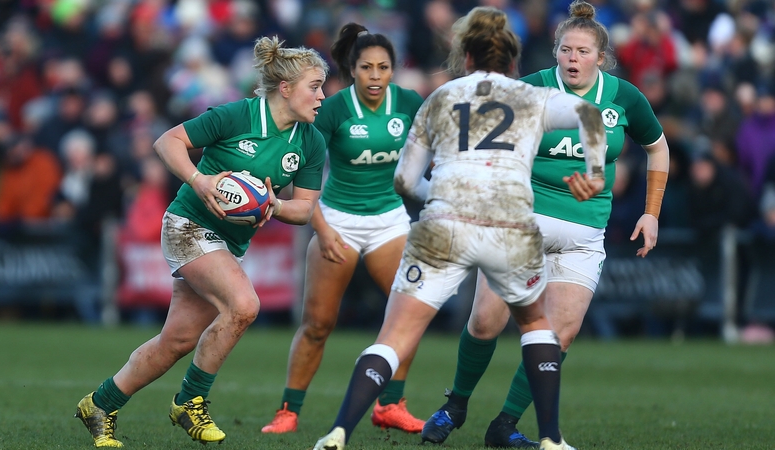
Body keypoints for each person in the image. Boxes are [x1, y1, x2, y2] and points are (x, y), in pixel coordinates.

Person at [313, 6, 607, 450]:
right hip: (508, 225)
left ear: (465, 57)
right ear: (512, 61)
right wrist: (596, 172)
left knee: (395, 336)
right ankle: (551, 439)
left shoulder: (441, 98)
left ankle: (337, 433)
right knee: (536, 325)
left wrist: (440, 193)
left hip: (444, 226)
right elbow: (589, 115)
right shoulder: (531, 96)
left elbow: (404, 180)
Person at [421, 1, 671, 447]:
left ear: (601, 57)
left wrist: (651, 212)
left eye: (583, 51)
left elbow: (658, 148)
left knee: (560, 335)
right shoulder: (530, 89)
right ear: (555, 52)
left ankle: (505, 426)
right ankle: (454, 406)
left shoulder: (624, 97)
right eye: (566, 50)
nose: (574, 58)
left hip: (584, 234)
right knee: (485, 323)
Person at [74, 36, 328, 448]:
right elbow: (166, 141)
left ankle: (99, 404)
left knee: (174, 342)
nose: (321, 97)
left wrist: (274, 205)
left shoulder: (310, 141)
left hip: (226, 244)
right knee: (244, 306)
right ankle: (190, 402)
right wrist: (201, 179)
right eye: (315, 86)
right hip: (187, 225)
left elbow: (305, 210)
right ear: (285, 88)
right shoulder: (237, 115)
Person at [261, 23, 426, 435]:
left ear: (395, 70)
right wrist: (323, 228)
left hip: (390, 220)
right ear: (352, 69)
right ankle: (288, 411)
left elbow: (429, 159)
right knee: (318, 324)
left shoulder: (410, 103)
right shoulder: (332, 109)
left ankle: (391, 404)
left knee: (408, 315)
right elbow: (301, 172)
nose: (375, 75)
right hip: (336, 220)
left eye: (383, 67)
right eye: (366, 67)